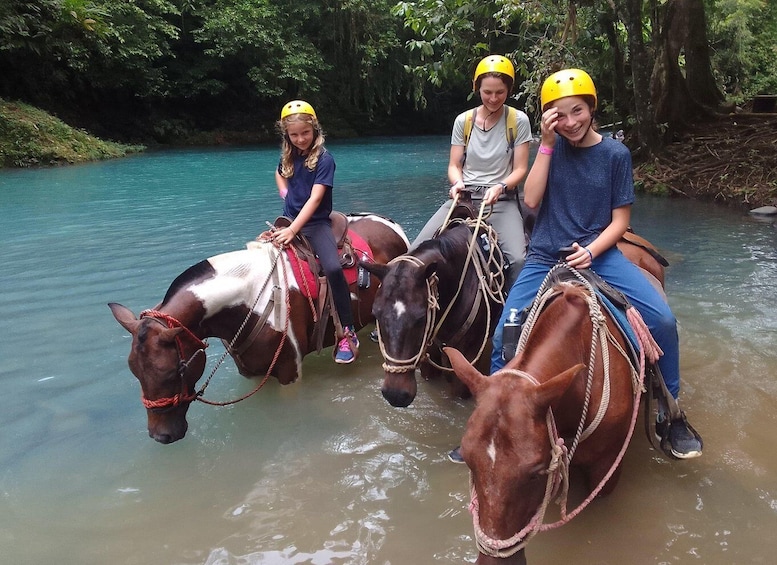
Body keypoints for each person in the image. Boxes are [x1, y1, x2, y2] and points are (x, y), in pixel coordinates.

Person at [490, 68, 702, 459]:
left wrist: (591, 250)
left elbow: (620, 219)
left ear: (592, 108)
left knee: (663, 321)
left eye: (577, 111)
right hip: (544, 255)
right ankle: (494, 420)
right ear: (548, 118)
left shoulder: (615, 154)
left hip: (601, 255)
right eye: (559, 114)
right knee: (504, 331)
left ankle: (671, 412)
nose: (570, 122)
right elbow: (532, 201)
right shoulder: (549, 148)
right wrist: (547, 145)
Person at [411, 54, 533, 289]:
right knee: (415, 250)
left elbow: (520, 169)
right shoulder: (463, 121)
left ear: (509, 90)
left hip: (500, 200)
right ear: (477, 88)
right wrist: (457, 183)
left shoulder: (518, 120)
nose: (493, 98)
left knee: (518, 259)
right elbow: (455, 165)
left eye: (500, 92)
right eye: (487, 92)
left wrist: (501, 186)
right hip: (464, 197)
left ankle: (514, 314)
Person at [271, 100, 359, 364]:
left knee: (332, 268)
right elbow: (278, 173)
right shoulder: (288, 154)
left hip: (315, 223)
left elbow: (315, 199)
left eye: (305, 133)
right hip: (289, 219)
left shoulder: (324, 159)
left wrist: (294, 229)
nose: (300, 139)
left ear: (315, 130)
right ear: (287, 134)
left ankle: (348, 330)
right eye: (294, 134)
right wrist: (285, 193)